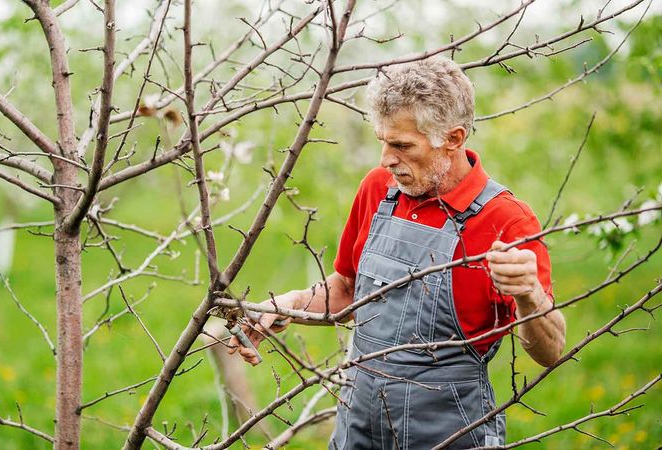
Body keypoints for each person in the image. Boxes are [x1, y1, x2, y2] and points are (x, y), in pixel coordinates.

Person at [228, 56, 566, 449]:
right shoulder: (379, 188)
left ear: (453, 139)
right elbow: (349, 290)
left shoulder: (506, 221)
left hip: (449, 436)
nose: (386, 159)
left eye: (402, 145)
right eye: (383, 141)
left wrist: (529, 295)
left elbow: (551, 350)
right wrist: (289, 305)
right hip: (356, 430)